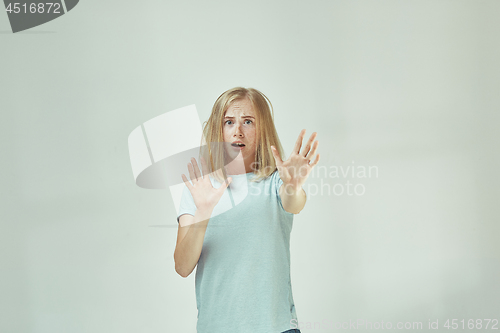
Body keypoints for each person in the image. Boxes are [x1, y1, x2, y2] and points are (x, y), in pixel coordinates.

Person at [173, 87, 320, 333]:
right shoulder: (199, 190)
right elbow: (182, 266)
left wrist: (293, 185)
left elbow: (294, 202)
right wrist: (204, 211)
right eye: (228, 122)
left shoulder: (275, 183)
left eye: (248, 122)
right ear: (218, 131)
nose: (237, 130)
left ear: (262, 131)